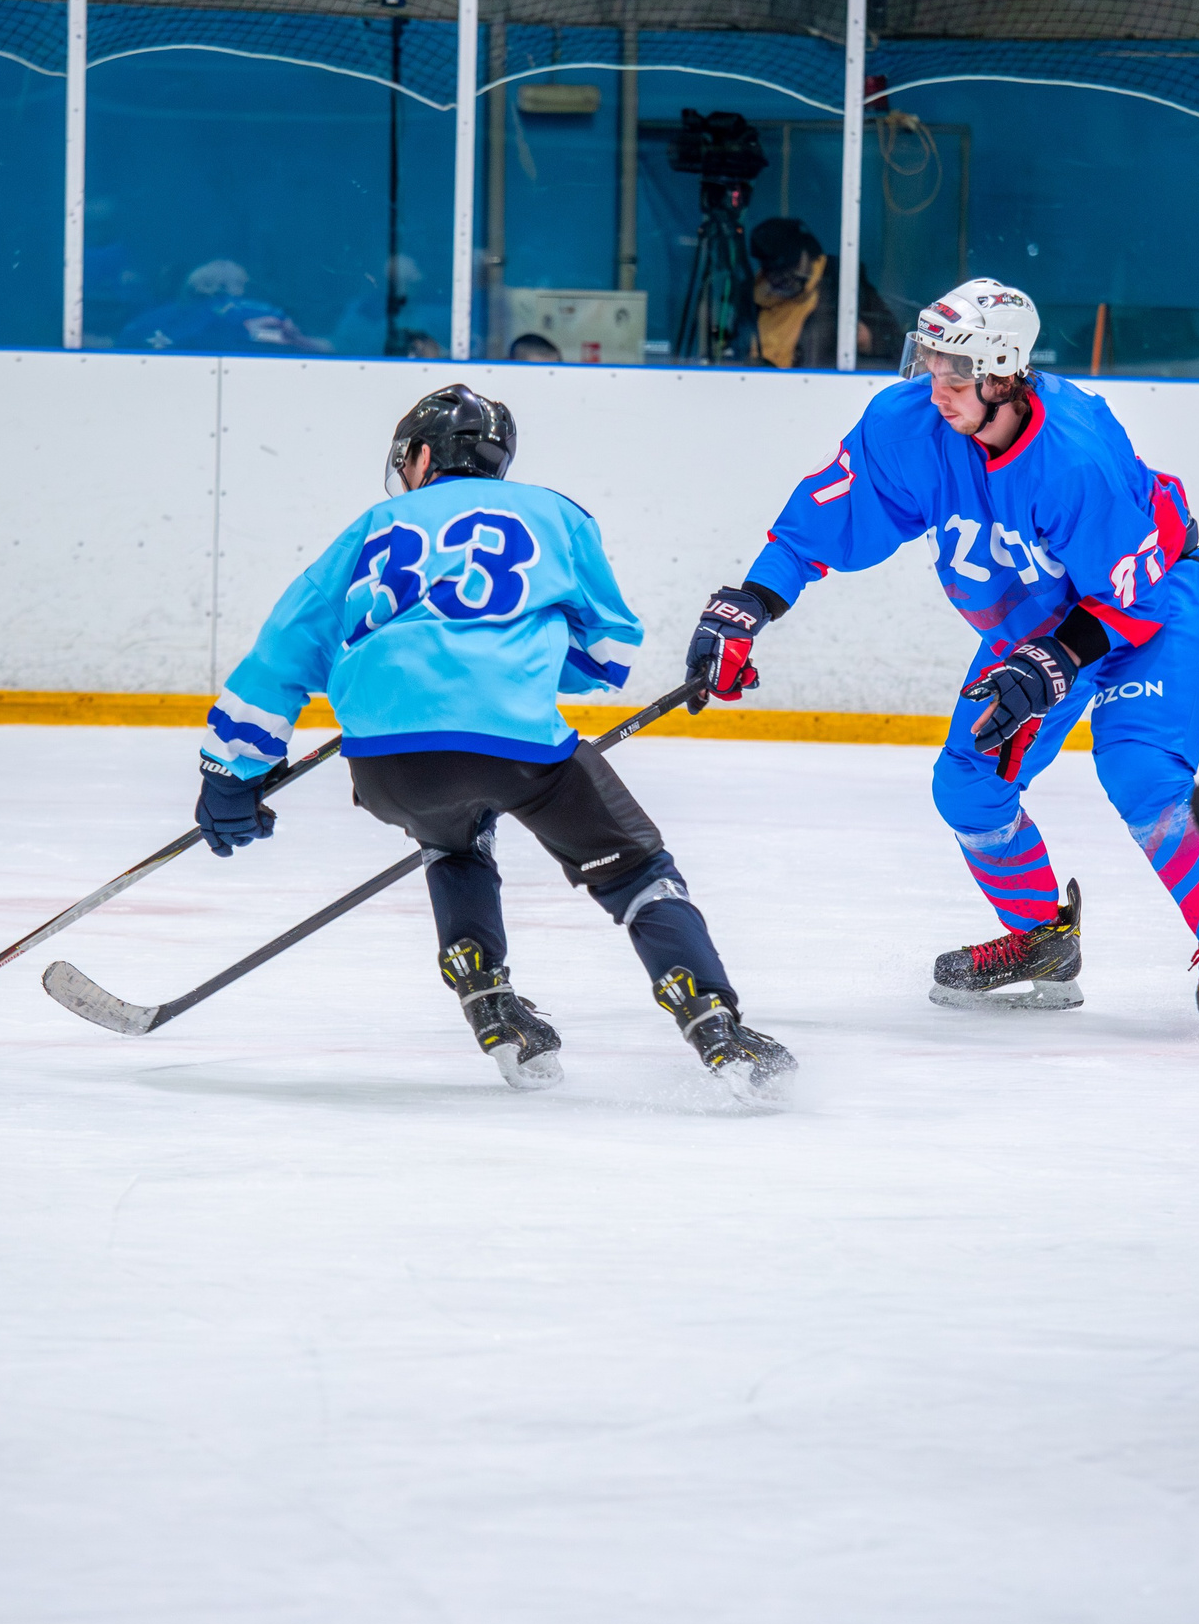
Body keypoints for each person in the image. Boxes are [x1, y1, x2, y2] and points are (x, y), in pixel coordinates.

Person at [684, 278, 1199, 1037]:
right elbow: (817, 526)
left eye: (956, 374)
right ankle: (1042, 937)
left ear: (1004, 374)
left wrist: (1057, 659)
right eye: (930, 364)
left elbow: (1131, 592)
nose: (937, 389)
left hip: (1146, 608)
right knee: (967, 786)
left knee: (1140, 776)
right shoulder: (907, 425)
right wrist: (751, 603)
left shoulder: (1074, 456)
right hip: (1036, 627)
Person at [194, 384, 796, 1108]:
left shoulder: (371, 526)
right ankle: (713, 1023)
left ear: (422, 456)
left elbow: (284, 653)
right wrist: (526, 665)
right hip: (514, 744)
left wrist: (231, 772)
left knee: (451, 839)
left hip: (385, 763)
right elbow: (608, 651)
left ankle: (487, 997)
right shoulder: (556, 515)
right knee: (637, 868)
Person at [746, 217, 900, 371]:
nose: (783, 277)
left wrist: (870, 340)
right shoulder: (752, 296)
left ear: (808, 252)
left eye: (791, 265)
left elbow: (894, 342)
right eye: (772, 269)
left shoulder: (843, 286)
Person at [119, 259, 330, 354]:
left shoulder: (148, 321)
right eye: (244, 285)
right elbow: (301, 343)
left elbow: (125, 343)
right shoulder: (262, 314)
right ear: (237, 286)